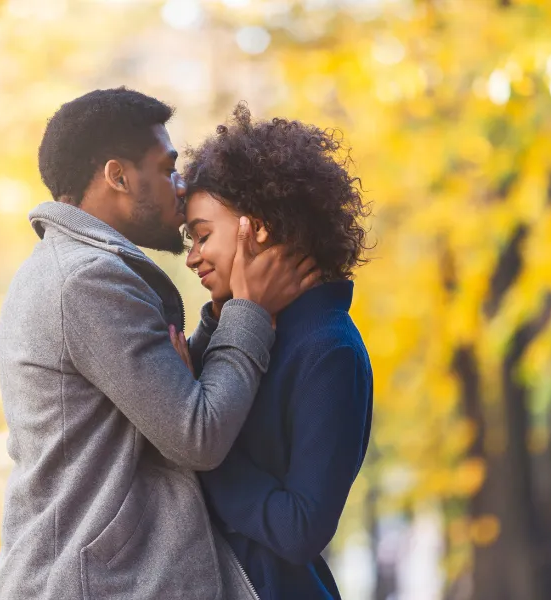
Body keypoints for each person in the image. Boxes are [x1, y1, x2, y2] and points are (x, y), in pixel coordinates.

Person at [0, 88, 319, 600]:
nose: (180, 185)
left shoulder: (63, 272)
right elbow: (198, 436)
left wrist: (214, 325)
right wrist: (249, 312)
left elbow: (158, 410)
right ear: (118, 176)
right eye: (167, 168)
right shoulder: (87, 282)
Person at [177, 104, 373, 600]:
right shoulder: (254, 329)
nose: (192, 256)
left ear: (255, 228)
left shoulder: (328, 349)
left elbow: (301, 528)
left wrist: (197, 450)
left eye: (202, 235)